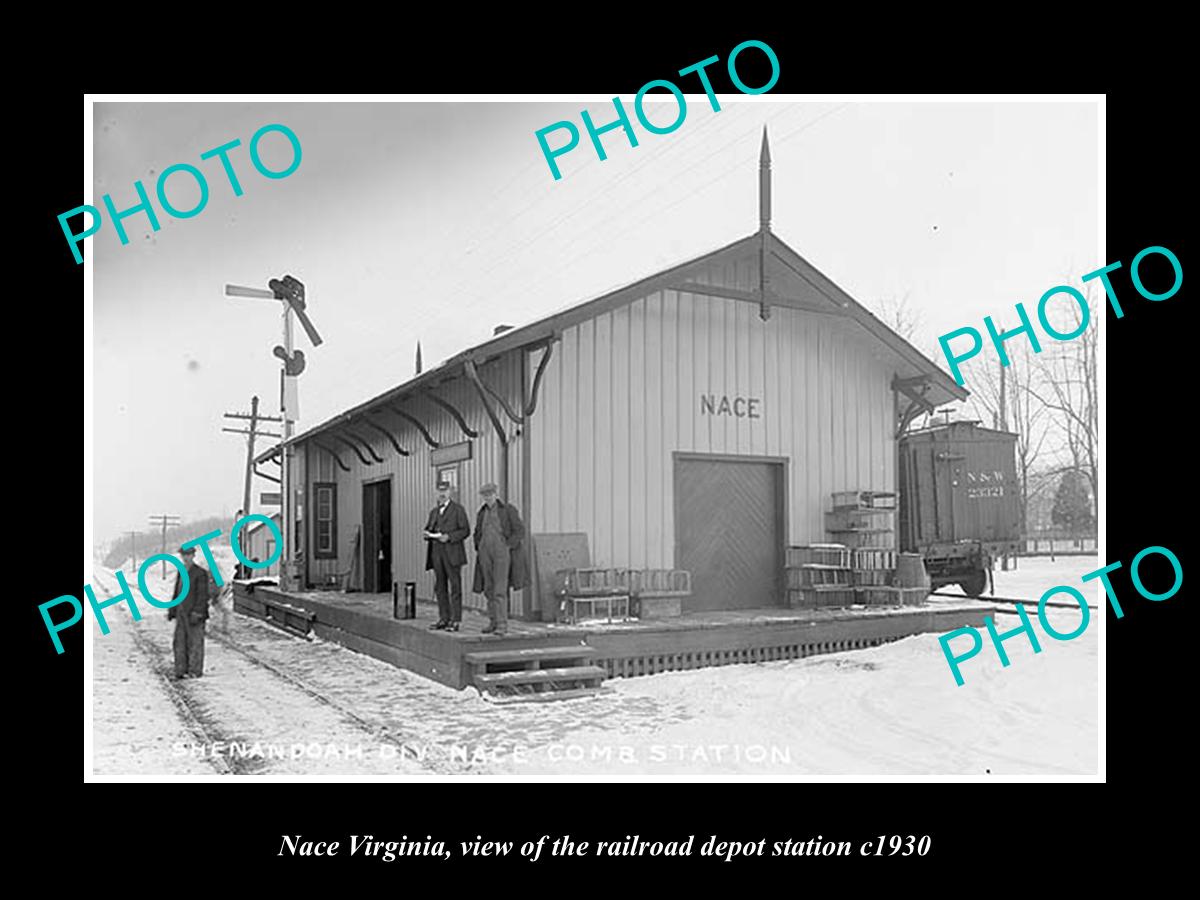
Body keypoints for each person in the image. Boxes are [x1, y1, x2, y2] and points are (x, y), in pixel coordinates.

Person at [472, 483, 528, 636]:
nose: (487, 498)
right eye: (484, 495)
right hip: (485, 553)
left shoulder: (508, 510)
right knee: (488, 588)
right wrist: (478, 546)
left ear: (496, 494)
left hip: (502, 553)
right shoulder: (481, 513)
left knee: (500, 590)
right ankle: (493, 621)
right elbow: (477, 532)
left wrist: (508, 546)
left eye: (490, 494)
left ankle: (502, 624)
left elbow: (520, 531)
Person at [423, 481, 471, 632]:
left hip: (452, 553)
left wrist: (449, 537)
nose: (442, 494)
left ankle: (455, 620)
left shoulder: (458, 510)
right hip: (437, 554)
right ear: (436, 493)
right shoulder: (434, 512)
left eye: (445, 491)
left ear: (450, 492)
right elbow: (428, 528)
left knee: (455, 587)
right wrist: (427, 534)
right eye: (439, 491)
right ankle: (443, 618)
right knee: (440, 587)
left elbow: (465, 531)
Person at [168, 545, 214, 679]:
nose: (186, 558)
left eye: (188, 555)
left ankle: (194, 671)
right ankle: (180, 670)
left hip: (194, 613)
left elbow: (202, 595)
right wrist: (172, 609)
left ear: (193, 555)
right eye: (183, 555)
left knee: (195, 643)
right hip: (182, 612)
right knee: (179, 642)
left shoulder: (200, 573)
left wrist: (198, 612)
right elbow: (177, 592)